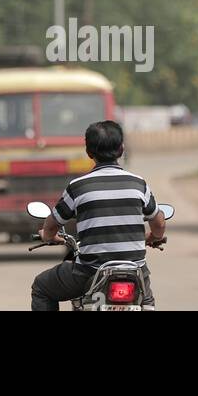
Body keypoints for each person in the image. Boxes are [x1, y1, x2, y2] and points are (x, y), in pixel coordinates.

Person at [30, 120, 166, 311]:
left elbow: (52, 224)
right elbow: (158, 222)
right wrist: (154, 237)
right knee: (147, 302)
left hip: (88, 272)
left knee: (41, 287)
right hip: (135, 271)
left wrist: (48, 235)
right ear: (121, 149)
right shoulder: (138, 184)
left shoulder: (78, 187)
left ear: (89, 152)